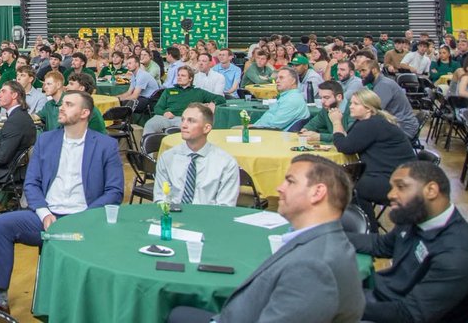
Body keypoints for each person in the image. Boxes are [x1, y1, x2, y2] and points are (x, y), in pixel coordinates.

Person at [167, 155, 364, 323]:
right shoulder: (327, 241)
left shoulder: (313, 267)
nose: (279, 188)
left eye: (290, 181)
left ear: (317, 192)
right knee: (178, 313)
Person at [0, 90, 123, 314]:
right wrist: (44, 213)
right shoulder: (47, 140)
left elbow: (114, 191)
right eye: (62, 104)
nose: (61, 107)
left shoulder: (105, 145)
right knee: (2, 224)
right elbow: (31, 183)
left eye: (69, 104)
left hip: (84, 220)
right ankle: (0, 297)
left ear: (84, 113)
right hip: (46, 217)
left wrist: (86, 217)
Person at [347, 161, 468, 323]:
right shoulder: (416, 217)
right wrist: (332, 234)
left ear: (431, 190)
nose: (390, 194)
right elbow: (381, 245)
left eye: (401, 187)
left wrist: (340, 305)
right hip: (386, 298)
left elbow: (409, 314)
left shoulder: (457, 255)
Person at [330, 88, 416, 218]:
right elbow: (348, 141)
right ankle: (365, 225)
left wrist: (336, 122)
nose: (351, 107)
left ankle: (367, 228)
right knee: (350, 183)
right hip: (396, 174)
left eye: (356, 104)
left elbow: (344, 146)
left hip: (397, 180)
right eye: (351, 103)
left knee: (348, 186)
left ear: (369, 108)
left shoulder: (371, 124)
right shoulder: (370, 121)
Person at [154, 104, 240, 205]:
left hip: (209, 218)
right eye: (183, 120)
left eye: (191, 121)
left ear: (206, 128)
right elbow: (160, 198)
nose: (183, 125)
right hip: (173, 216)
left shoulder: (226, 163)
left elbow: (225, 206)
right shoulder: (168, 157)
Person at [143, 67, 224, 136]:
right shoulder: (168, 91)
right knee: (150, 124)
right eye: (178, 75)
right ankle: (147, 154)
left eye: (183, 75)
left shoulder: (198, 92)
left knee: (188, 128)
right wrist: (164, 113)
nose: (179, 77)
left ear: (190, 79)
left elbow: (221, 99)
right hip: (165, 118)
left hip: (184, 119)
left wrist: (213, 103)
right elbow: (157, 107)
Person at [354, 55, 419, 139]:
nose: (361, 74)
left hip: (403, 128)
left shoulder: (383, 85)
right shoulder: (380, 83)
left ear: (374, 70)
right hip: (397, 124)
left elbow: (375, 111)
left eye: (363, 71)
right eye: (359, 71)